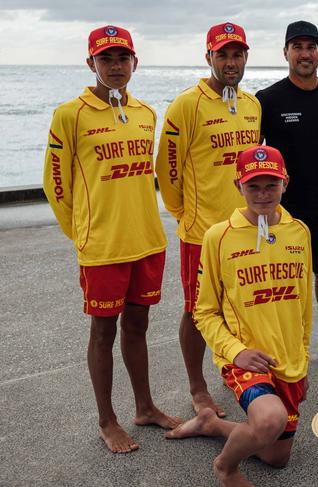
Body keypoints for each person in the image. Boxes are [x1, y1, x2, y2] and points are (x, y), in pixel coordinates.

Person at [43, 25, 181, 453]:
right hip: (102, 247)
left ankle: (145, 407)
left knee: (138, 326)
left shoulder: (145, 113)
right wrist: (82, 233)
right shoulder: (71, 114)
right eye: (106, 59)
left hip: (147, 240)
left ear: (134, 63)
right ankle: (107, 419)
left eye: (123, 59)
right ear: (91, 64)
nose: (116, 67)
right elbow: (55, 183)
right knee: (103, 331)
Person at [165, 145, 312, 486]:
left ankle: (210, 425)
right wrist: (236, 352)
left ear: (285, 183)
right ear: (238, 186)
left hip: (286, 360)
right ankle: (225, 467)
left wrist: (302, 360)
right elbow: (204, 311)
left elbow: (304, 303)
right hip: (244, 359)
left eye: (270, 185)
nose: (262, 194)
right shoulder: (218, 236)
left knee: (277, 457)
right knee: (268, 420)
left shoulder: (299, 232)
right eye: (253, 186)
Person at [155, 22, 261, 416]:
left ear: (246, 58)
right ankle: (197, 387)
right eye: (223, 55)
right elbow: (167, 168)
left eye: (237, 54)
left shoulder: (252, 105)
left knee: (239, 304)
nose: (230, 62)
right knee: (196, 311)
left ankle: (233, 369)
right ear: (209, 58)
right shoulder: (187, 104)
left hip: (243, 226)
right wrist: (184, 213)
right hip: (201, 232)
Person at [255, 20, 318, 360]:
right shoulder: (267, 99)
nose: (304, 53)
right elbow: (254, 153)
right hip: (281, 206)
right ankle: (275, 344)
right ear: (286, 52)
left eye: (310, 47)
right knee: (277, 277)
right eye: (297, 47)